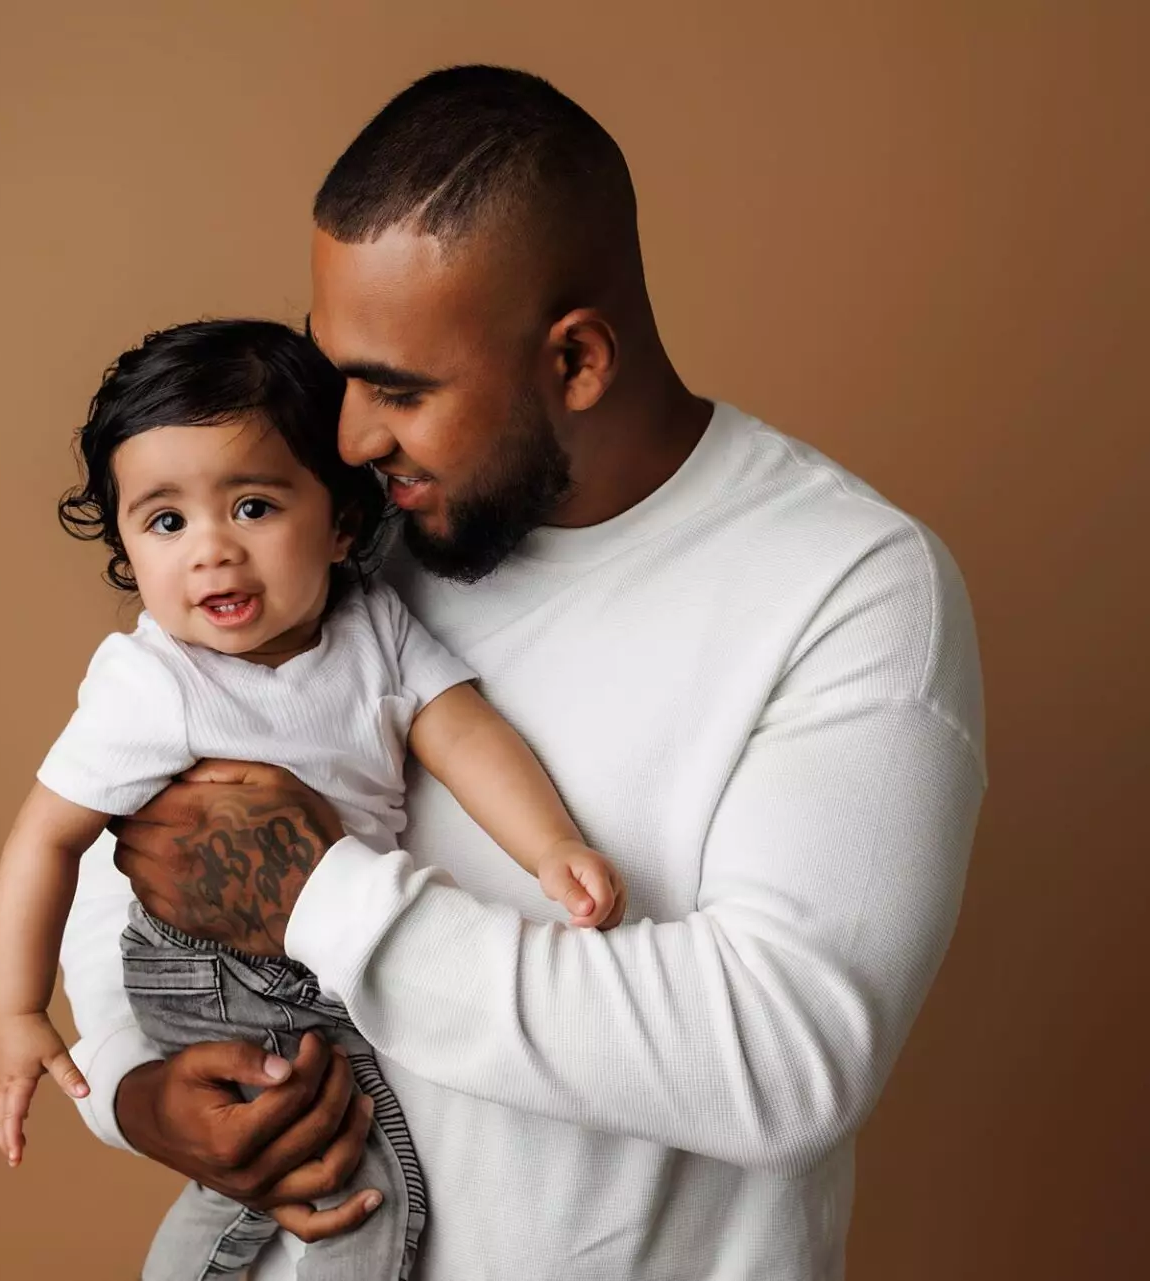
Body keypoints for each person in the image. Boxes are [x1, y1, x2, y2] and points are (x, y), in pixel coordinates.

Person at [63, 66, 987, 1279]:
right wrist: (137, 1091)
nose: (346, 435)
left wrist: (321, 900)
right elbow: (135, 851)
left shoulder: (849, 585)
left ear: (579, 361)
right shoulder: (340, 530)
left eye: (400, 389)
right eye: (337, 371)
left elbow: (780, 1057)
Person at [0, 318, 627, 1280]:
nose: (212, 552)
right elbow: (45, 840)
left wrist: (551, 847)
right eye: (166, 521)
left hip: (323, 947)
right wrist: (16, 1008)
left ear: (339, 521)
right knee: (345, 1172)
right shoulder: (153, 682)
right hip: (212, 959)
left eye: (252, 506)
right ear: (125, 543)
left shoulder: (373, 626)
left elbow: (461, 730)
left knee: (317, 1160)